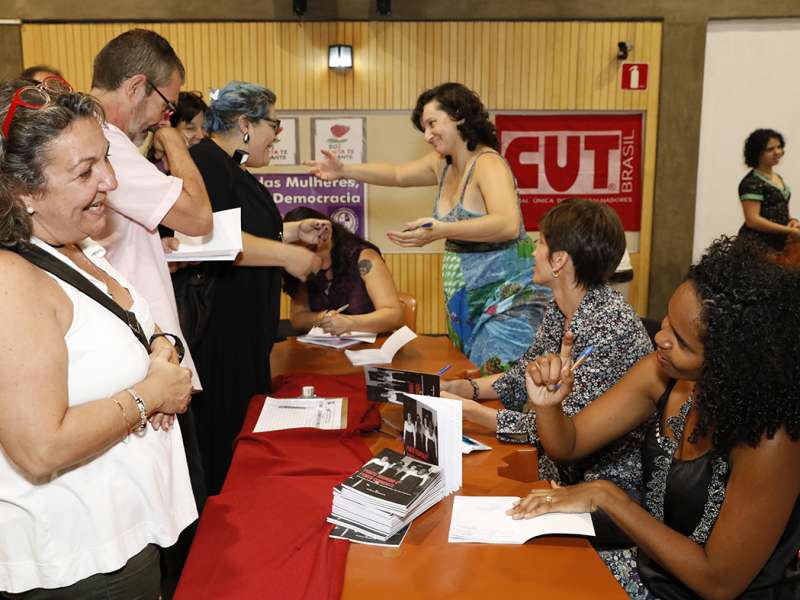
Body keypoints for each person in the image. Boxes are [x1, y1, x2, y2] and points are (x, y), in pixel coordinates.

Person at [511, 236, 800, 599]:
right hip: (652, 574)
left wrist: (609, 498)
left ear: (731, 362)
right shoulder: (662, 375)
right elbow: (567, 444)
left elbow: (719, 581)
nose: (660, 337)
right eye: (665, 320)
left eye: (681, 341)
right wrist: (548, 404)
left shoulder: (773, 440)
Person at [0, 79, 196, 597]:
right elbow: (40, 447)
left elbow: (136, 329)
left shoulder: (77, 247)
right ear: (23, 190)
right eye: (85, 171)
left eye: (106, 159)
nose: (110, 180)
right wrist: (151, 395)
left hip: (125, 534)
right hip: (75, 561)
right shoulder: (13, 281)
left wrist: (162, 350)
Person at [305, 82, 551, 374]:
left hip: (506, 299)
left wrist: (442, 230)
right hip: (466, 300)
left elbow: (508, 224)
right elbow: (397, 175)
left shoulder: (488, 164)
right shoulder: (442, 164)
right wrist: (344, 171)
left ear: (459, 115)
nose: (427, 135)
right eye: (423, 127)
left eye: (433, 123)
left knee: (500, 383)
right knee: (475, 378)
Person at [88, 28, 212, 597]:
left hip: (142, 351)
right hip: (137, 363)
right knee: (167, 526)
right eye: (166, 106)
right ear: (138, 87)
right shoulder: (108, 140)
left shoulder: (104, 143)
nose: (162, 118)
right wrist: (174, 142)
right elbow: (198, 217)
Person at [442, 199, 652, 506]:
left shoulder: (609, 327)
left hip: (603, 491)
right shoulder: (562, 307)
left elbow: (561, 430)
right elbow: (525, 373)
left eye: (540, 242)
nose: (532, 251)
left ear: (559, 261)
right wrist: (469, 389)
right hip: (560, 475)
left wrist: (471, 412)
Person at [188, 80, 327, 494]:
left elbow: (244, 231)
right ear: (246, 124)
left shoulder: (231, 167)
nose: (276, 135)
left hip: (245, 334)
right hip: (221, 336)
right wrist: (289, 257)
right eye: (274, 124)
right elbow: (213, 240)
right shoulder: (207, 163)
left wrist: (290, 232)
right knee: (225, 441)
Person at [282, 206, 404, 335]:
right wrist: (322, 318)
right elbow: (298, 318)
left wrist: (350, 323)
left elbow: (394, 315)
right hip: (324, 349)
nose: (308, 257)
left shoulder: (363, 257)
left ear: (327, 234)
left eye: (311, 248)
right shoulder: (297, 263)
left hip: (371, 347)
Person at [738, 128, 800, 251]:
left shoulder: (778, 178)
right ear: (757, 153)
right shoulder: (751, 182)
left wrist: (791, 220)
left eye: (779, 147)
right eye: (770, 149)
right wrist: (789, 231)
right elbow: (753, 220)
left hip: (777, 245)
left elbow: (774, 209)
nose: (777, 152)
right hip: (757, 247)